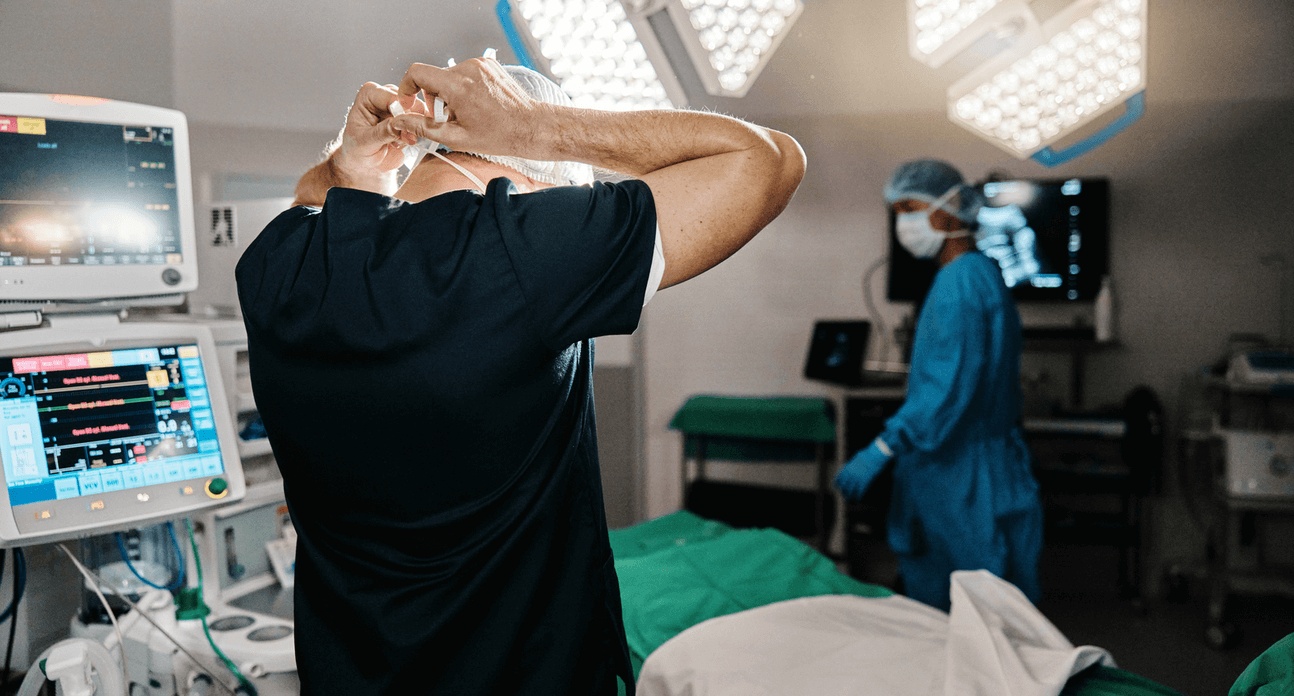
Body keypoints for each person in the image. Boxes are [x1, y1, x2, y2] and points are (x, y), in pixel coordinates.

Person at [235, 58, 805, 696]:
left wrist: (351, 166)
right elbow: (768, 162)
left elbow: (318, 200)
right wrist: (536, 127)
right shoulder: (518, 249)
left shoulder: (278, 262)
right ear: (542, 180)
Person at [834, 159, 1041, 612]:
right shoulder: (980, 274)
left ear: (947, 210)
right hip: (977, 466)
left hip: (959, 476)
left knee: (968, 615)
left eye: (908, 209)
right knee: (981, 608)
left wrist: (883, 448)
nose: (900, 224)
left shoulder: (961, 284)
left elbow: (944, 392)